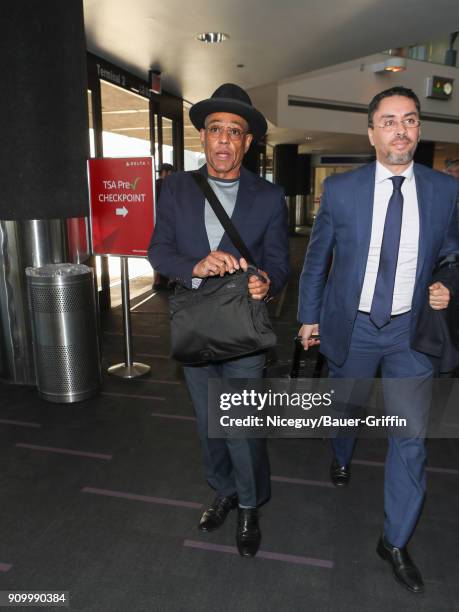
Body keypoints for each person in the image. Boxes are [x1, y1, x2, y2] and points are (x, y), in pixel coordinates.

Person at [297, 86, 459, 593]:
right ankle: (341, 453)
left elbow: (454, 254)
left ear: (418, 130)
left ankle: (394, 539)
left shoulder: (444, 191)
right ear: (371, 133)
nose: (400, 129)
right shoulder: (342, 191)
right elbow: (317, 257)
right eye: (388, 121)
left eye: (409, 120)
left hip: (412, 332)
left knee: (410, 440)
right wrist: (308, 317)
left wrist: (446, 284)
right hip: (356, 324)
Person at [148, 83, 289, 557]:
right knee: (210, 420)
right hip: (193, 323)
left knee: (241, 421)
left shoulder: (269, 198)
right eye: (216, 130)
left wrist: (266, 282)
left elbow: (279, 261)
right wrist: (193, 266)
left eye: (235, 132)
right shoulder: (175, 188)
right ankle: (223, 489)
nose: (225, 140)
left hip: (243, 327)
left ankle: (249, 504)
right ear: (203, 138)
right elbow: (158, 250)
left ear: (248, 143)